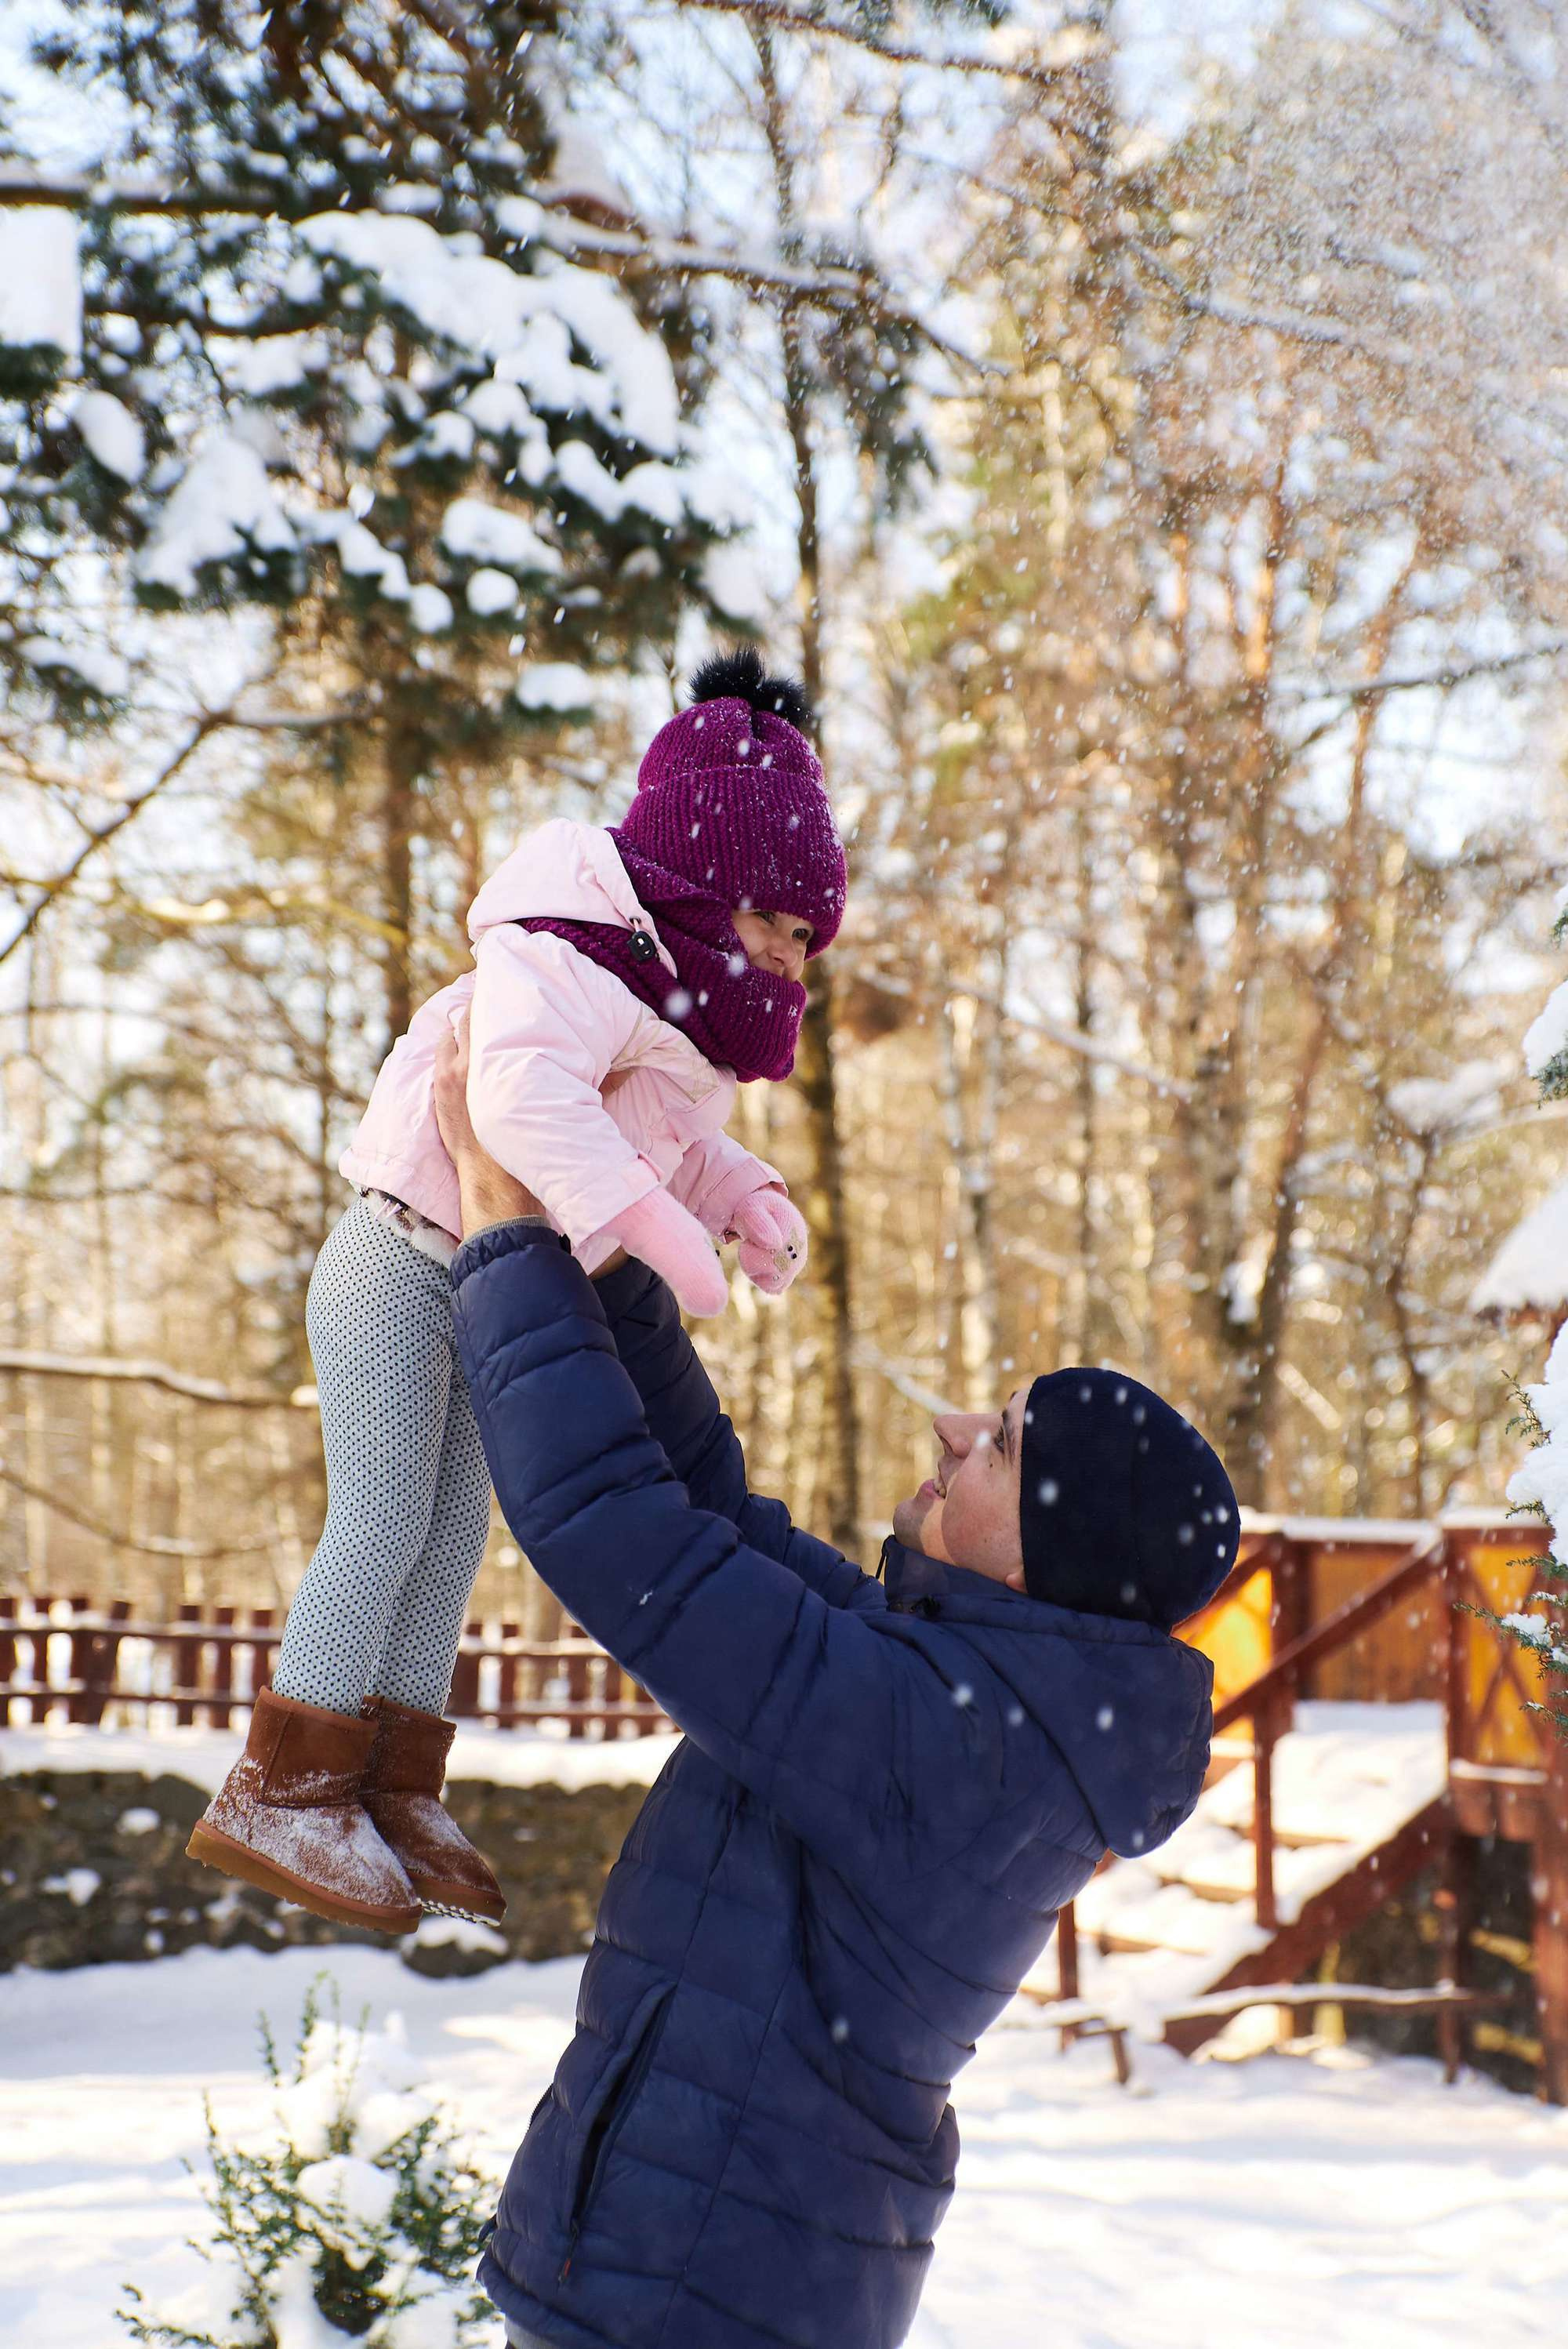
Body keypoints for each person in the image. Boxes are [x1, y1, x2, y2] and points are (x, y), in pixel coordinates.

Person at [433, 1024, 1238, 2349]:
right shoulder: (956, 1694)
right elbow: (700, 1512)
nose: (953, 1429)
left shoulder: (948, 1746)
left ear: (1052, 1552)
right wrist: (611, 1230)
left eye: (1004, 1440)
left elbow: (621, 1535)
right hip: (702, 2272)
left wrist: (508, 1242)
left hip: (700, 2296)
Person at [186, 650, 847, 1936]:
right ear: (702, 897)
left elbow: (663, 1138)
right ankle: (283, 1781)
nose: (787, 962)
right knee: (380, 1519)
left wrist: (738, 1196)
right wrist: (652, 1226)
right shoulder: (566, 961)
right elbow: (522, 1099)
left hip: (482, 1281)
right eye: (773, 926)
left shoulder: (672, 1021)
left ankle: (390, 1777)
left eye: (805, 943)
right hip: (398, 1259)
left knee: (447, 1539)